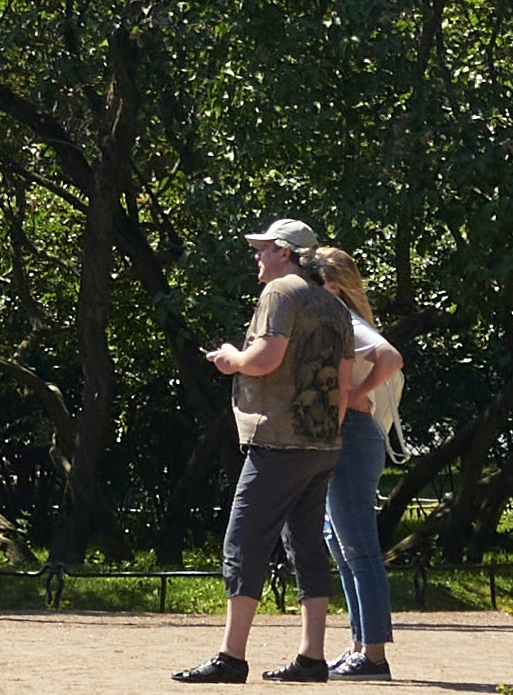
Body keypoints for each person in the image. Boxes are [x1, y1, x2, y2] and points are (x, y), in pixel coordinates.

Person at [176, 216, 350, 685]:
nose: (257, 256)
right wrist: (327, 438)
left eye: (264, 248)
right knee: (307, 546)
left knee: (243, 541)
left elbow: (266, 359)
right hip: (322, 444)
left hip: (277, 440)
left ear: (285, 253)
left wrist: (230, 358)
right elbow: (346, 381)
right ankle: (312, 658)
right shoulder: (334, 305)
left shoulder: (280, 293)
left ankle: (231, 657)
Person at [318, 248, 404, 684]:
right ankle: (359, 646)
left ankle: (373, 653)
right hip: (347, 435)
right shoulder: (340, 324)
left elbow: (391, 358)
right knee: (341, 543)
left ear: (333, 285)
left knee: (359, 548)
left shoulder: (349, 324)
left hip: (353, 433)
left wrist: (355, 394)